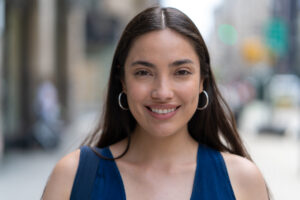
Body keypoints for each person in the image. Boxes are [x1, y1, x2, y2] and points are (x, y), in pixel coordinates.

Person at [42, 6, 270, 200]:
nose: (162, 92)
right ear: (122, 81)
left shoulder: (243, 181)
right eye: (143, 72)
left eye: (181, 72)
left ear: (202, 81)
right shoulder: (72, 178)